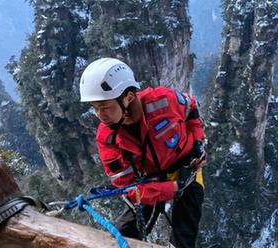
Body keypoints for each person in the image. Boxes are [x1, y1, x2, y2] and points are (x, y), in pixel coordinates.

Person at [79, 57, 206, 248]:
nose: (99, 115)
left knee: (184, 238)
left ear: (128, 97)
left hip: (187, 168)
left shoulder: (164, 101)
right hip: (149, 182)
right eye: (95, 108)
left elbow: (191, 108)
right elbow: (128, 189)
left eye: (105, 106)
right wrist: (172, 187)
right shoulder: (107, 138)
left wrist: (198, 143)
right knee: (120, 239)